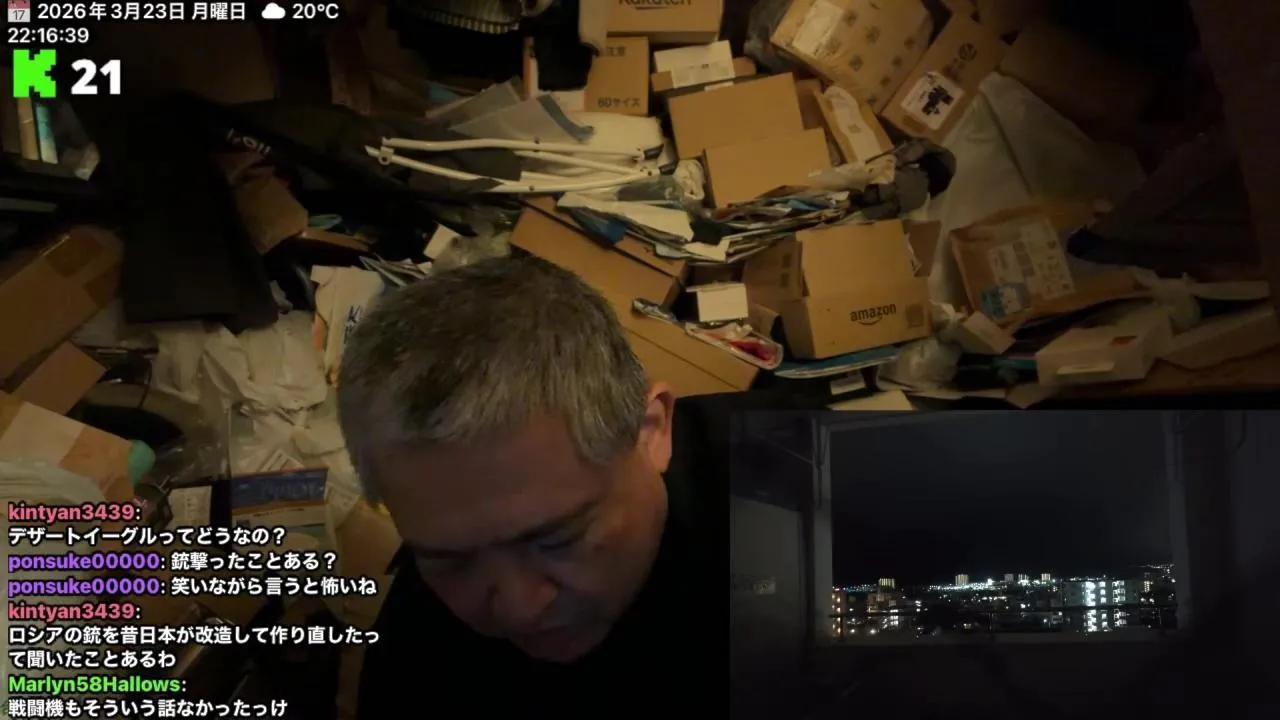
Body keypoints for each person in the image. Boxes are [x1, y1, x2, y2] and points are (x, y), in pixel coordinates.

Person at [338, 256, 819, 716]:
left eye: (556, 539)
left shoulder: (820, 503)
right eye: (451, 561)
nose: (519, 609)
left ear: (650, 432)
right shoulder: (418, 644)